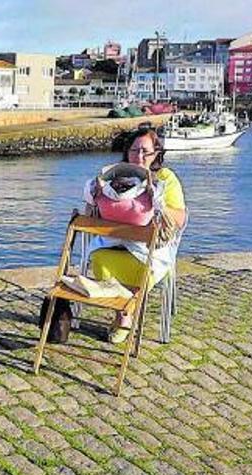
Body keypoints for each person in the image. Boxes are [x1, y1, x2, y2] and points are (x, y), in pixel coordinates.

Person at [84, 129, 187, 343]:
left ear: (157, 153)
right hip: (112, 243)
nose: (139, 156)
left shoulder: (166, 179)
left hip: (150, 251)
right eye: (134, 150)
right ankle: (123, 311)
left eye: (145, 151)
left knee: (142, 270)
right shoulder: (113, 177)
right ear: (127, 152)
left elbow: (179, 219)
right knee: (100, 260)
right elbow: (93, 213)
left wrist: (158, 203)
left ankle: (125, 316)